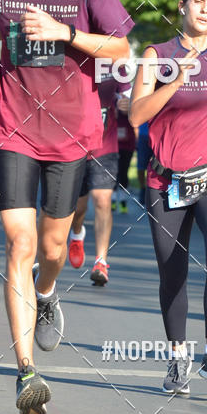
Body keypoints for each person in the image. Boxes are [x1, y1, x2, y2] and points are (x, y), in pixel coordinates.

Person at [0, 0, 133, 414]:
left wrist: (66, 33)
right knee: (19, 243)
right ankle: (25, 374)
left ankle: (45, 295)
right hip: (13, 123)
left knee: (54, 249)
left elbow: (119, 51)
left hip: (71, 130)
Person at [129, 0, 207, 396]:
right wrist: (175, 81)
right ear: (182, 6)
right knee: (172, 270)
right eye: (198, 1)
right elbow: (137, 115)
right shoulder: (157, 55)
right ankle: (178, 359)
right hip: (166, 178)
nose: (205, 9)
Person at [67, 71, 130, 285]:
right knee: (78, 208)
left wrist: (127, 104)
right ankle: (77, 234)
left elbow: (129, 96)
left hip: (105, 147)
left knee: (103, 201)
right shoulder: (73, 59)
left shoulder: (115, 65)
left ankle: (101, 261)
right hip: (74, 148)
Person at [113, 102, 137, 214]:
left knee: (123, 173)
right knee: (112, 173)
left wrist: (127, 108)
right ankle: (112, 200)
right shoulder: (111, 96)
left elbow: (136, 118)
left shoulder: (130, 97)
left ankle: (123, 202)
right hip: (113, 144)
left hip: (127, 145)